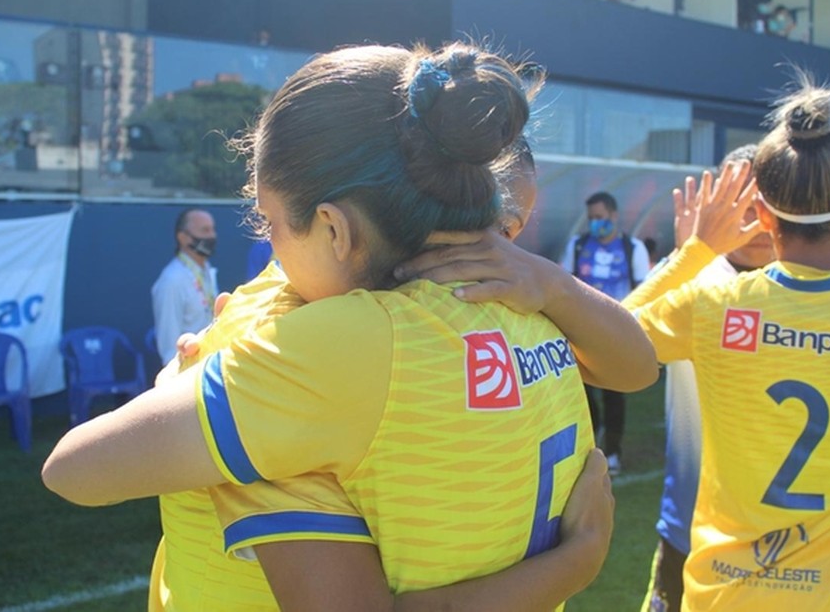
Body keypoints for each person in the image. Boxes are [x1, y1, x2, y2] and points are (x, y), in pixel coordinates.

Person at [43, 42, 658, 610]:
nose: (271, 248)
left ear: (336, 229)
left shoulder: (333, 349)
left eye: (269, 223)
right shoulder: (525, 299)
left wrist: (187, 374)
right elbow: (635, 365)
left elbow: (74, 471)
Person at [623, 77, 830, 610]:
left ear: (761, 214)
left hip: (728, 595)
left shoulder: (712, 305)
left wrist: (693, 251)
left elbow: (603, 341)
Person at [634, 144, 776, 612]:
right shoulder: (687, 276)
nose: (753, 217)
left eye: (764, 200)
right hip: (686, 528)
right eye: (738, 202)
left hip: (781, 539)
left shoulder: (807, 285)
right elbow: (607, 343)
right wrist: (686, 256)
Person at [559, 191, 651, 474]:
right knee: (583, 395)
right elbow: (563, 284)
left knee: (614, 395)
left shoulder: (632, 248)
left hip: (616, 333)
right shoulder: (578, 245)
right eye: (591, 219)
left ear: (614, 215)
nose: (595, 223)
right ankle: (589, 449)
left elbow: (645, 289)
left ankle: (612, 452)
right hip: (580, 332)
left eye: (600, 217)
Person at [151, 208, 218, 363]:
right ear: (183, 237)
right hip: (188, 373)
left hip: (208, 365)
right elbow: (169, 346)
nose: (212, 236)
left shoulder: (207, 271)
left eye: (213, 230)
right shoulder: (172, 281)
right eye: (205, 230)